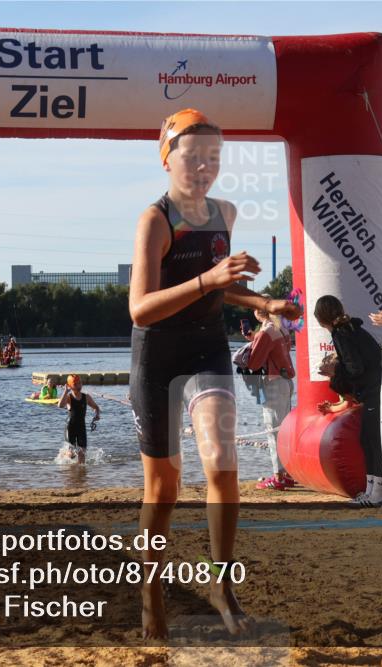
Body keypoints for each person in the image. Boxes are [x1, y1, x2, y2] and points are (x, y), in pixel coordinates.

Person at [128, 108, 302, 639]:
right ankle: (150, 590)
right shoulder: (155, 219)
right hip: (157, 354)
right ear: (167, 159)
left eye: (213, 157)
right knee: (164, 488)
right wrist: (209, 279)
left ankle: (221, 587)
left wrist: (264, 300)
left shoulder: (224, 212)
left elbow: (220, 289)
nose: (203, 166)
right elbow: (141, 307)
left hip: (205, 349)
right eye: (192, 155)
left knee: (222, 466)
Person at [314, 295, 382, 507]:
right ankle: (371, 488)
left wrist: (336, 375)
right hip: (376, 388)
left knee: (371, 441)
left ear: (320, 319)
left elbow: (355, 368)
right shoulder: (351, 329)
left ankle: (377, 491)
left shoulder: (341, 334)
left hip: (374, 390)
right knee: (366, 439)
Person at [246, 306, 296, 491]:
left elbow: (253, 362)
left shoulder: (266, 331)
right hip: (286, 381)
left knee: (273, 431)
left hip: (272, 383)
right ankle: (288, 473)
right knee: (284, 430)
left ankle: (278, 476)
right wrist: (254, 340)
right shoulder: (282, 329)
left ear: (258, 312)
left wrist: (253, 344)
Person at [58, 374, 100, 452]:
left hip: (81, 427)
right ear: (70, 386)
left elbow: (96, 407)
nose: (79, 386)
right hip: (70, 427)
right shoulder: (69, 397)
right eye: (75, 384)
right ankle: (64, 456)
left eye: (80, 383)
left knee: (82, 452)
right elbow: (60, 405)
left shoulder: (86, 397)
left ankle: (81, 464)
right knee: (71, 453)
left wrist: (97, 414)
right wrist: (65, 391)